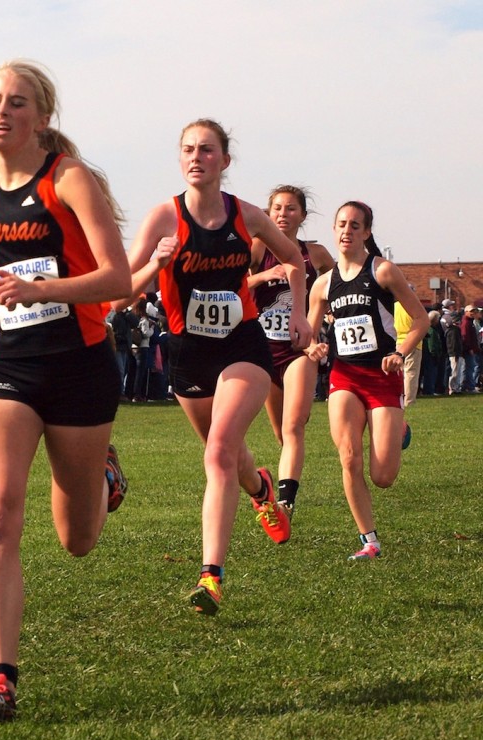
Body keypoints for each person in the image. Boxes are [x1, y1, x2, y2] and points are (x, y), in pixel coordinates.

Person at [0, 59, 131, 724]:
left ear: (41, 117)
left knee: (78, 538)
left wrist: (40, 290)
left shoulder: (68, 180)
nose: (1, 112)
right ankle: (1, 677)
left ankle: (103, 476)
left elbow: (120, 281)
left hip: (80, 366)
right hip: (7, 367)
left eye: (16, 103)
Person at [118, 118, 311, 616]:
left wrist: (301, 315)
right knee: (227, 456)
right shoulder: (163, 218)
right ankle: (261, 488)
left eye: (207, 149)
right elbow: (122, 289)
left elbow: (294, 259)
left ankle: (211, 576)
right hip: (188, 351)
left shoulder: (247, 216)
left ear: (225, 161)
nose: (196, 157)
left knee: (219, 451)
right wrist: (156, 266)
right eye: (187, 149)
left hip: (241, 345)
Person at [305, 201, 429, 561]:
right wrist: (314, 347)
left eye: (355, 225)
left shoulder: (383, 271)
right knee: (348, 457)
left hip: (382, 376)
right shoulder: (323, 285)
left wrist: (400, 351)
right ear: (334, 229)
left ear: (367, 232)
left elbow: (421, 319)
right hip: (344, 375)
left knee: (383, 476)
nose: (347, 231)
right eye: (341, 224)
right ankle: (369, 540)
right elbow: (309, 334)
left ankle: (398, 427)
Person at [248, 185, 335, 524]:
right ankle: (275, 484)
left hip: (301, 348)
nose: (283, 214)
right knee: (281, 434)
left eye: (291, 209)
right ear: (269, 214)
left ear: (303, 215)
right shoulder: (256, 248)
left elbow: (342, 285)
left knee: (294, 425)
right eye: (278, 209)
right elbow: (233, 284)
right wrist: (266, 275)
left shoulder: (317, 254)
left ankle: (285, 504)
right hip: (262, 348)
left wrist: (327, 324)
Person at [394, 285, 422, 406]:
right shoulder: (413, 307)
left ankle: (399, 398)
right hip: (413, 341)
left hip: (398, 341)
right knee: (411, 373)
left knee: (400, 373)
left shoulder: (394, 306)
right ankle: (409, 401)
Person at [421, 310, 443, 396]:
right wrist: (435, 355)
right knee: (430, 373)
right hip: (430, 356)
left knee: (430, 373)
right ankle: (428, 390)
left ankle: (429, 389)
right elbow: (431, 344)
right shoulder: (431, 331)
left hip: (428, 355)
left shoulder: (429, 329)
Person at [460, 305, 481, 392]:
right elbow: (465, 337)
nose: (473, 313)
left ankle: (466, 386)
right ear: (466, 312)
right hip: (468, 350)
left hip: (471, 349)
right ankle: (470, 386)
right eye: (471, 311)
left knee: (468, 368)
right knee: (470, 368)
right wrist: (469, 348)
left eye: (474, 311)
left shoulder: (470, 322)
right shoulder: (466, 323)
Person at [444, 312, 464, 395]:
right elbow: (453, 343)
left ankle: (455, 387)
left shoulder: (453, 330)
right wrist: (455, 353)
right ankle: (452, 388)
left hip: (455, 353)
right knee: (454, 372)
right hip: (454, 354)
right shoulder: (453, 330)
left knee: (456, 371)